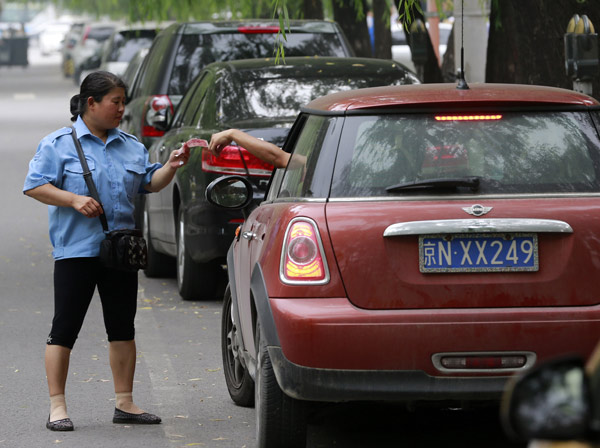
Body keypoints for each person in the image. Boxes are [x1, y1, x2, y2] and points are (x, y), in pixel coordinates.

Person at [23, 71, 190, 432]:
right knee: (64, 329)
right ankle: (57, 407)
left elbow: (150, 182)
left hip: (121, 250)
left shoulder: (130, 145)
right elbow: (35, 185)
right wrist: (73, 199)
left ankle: (125, 403)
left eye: (122, 101)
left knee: (122, 328)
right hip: (76, 252)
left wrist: (172, 167)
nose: (121, 108)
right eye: (115, 101)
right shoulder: (58, 144)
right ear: (91, 103)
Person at [208, 129, 305, 170]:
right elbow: (279, 158)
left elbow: (279, 158)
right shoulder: (318, 160)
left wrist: (232, 134)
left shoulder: (316, 161)